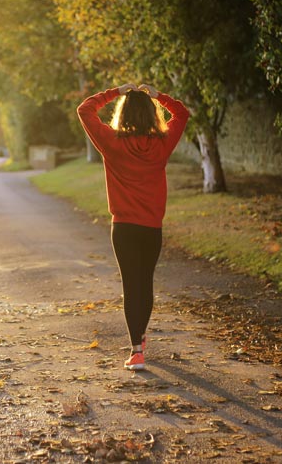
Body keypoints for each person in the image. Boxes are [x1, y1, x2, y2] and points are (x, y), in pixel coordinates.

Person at [77, 83, 190, 370]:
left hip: (124, 228)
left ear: (123, 114)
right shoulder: (162, 143)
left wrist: (116, 91)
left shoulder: (111, 142)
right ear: (152, 115)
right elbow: (182, 113)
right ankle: (140, 337)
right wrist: (158, 96)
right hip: (151, 227)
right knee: (145, 283)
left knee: (131, 285)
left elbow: (85, 109)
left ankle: (136, 350)